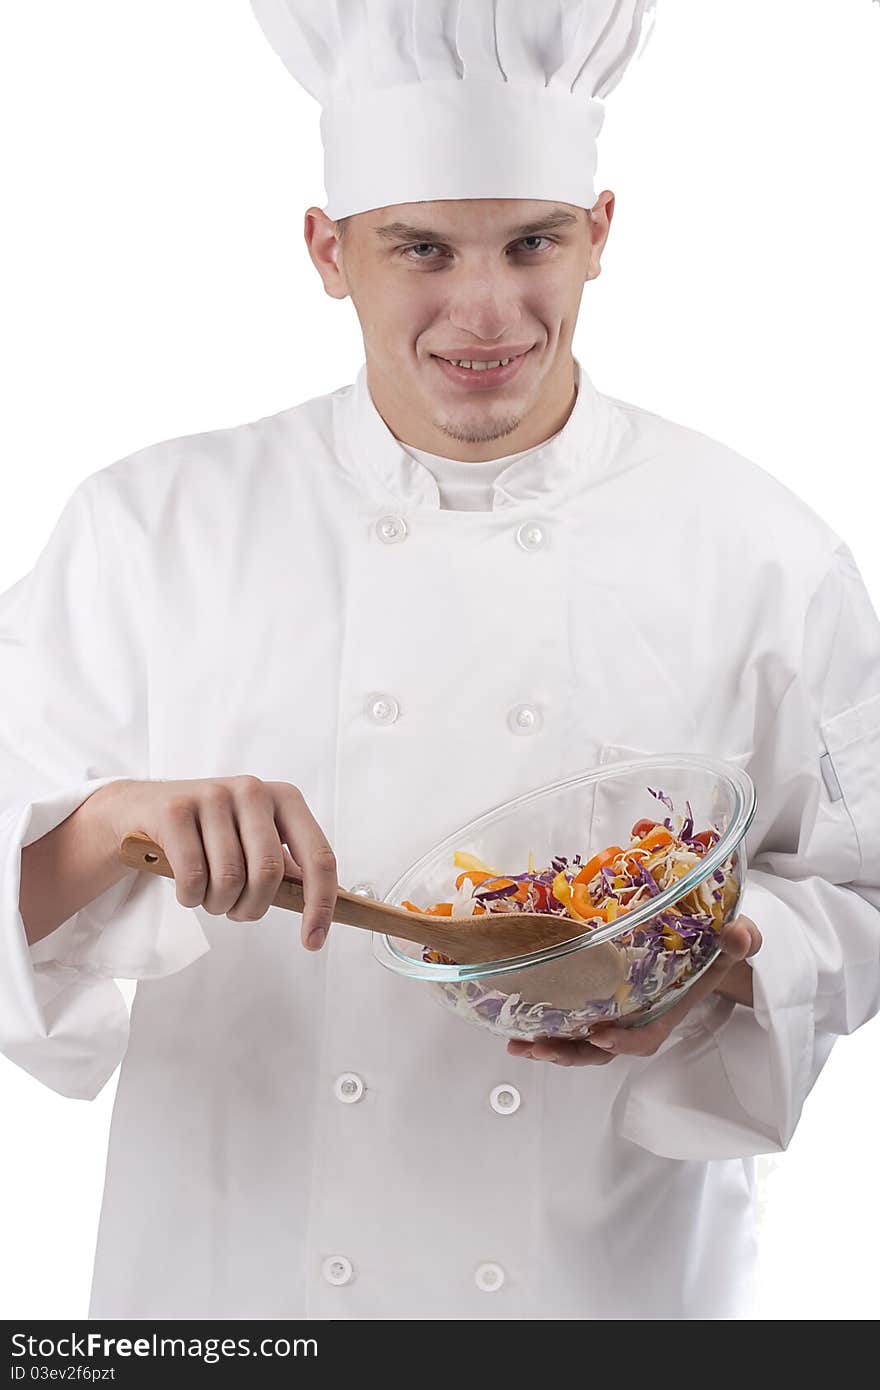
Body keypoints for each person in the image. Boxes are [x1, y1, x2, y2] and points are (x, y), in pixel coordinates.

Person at [2, 0, 879, 1320]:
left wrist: (717, 960)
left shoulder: (759, 545)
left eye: (535, 241)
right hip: (230, 1303)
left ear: (602, 237)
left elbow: (863, 887)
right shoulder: (148, 531)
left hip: (612, 1296)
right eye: (421, 247)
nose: (488, 310)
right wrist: (107, 826)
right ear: (327, 250)